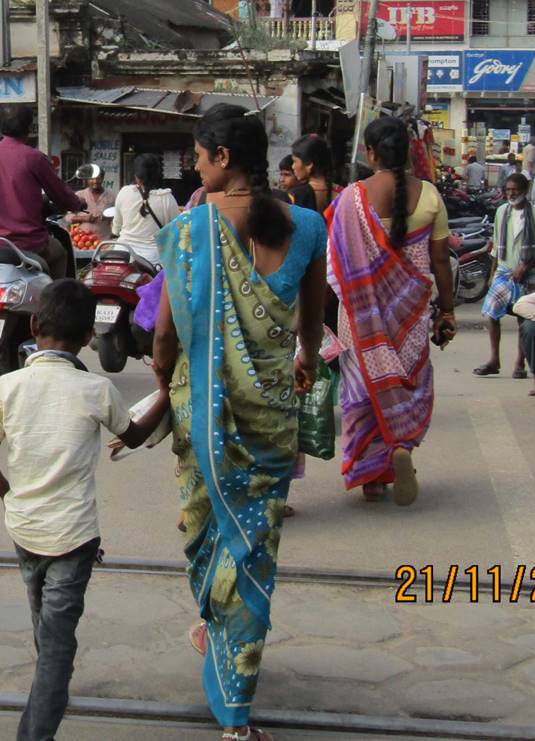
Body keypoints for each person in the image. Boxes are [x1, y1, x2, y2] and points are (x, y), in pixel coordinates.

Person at [150, 105, 328, 741]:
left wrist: (162, 383)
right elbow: (313, 323)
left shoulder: (189, 230)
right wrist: (305, 359)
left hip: (203, 415)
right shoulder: (308, 225)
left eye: (199, 157)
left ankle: (226, 676)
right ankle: (234, 692)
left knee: (207, 535)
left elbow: (164, 336)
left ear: (223, 157)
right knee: (253, 549)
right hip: (273, 417)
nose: (196, 168)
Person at [0, 279, 170, 741]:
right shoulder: (96, 389)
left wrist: (12, 497)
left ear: (33, 325)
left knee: (45, 624)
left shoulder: (6, 386)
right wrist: (164, 394)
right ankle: (38, 726)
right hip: (74, 536)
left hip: (24, 528)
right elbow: (135, 436)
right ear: (88, 337)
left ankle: (51, 684)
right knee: (58, 641)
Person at [328, 116, 454, 505]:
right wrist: (447, 312)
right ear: (409, 152)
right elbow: (441, 261)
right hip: (411, 315)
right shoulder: (429, 195)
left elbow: (335, 264)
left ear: (371, 154)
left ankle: (372, 477)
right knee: (405, 381)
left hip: (360, 315)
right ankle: (400, 445)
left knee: (363, 389)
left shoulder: (351, 199)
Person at [0, 105, 84, 278]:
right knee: (60, 253)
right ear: (28, 127)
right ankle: (53, 295)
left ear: (0, 126)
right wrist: (78, 203)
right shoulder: (35, 158)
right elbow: (61, 195)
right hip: (29, 245)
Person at [475, 173, 535, 379]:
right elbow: (496, 246)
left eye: (515, 190)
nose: (511, 193)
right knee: (490, 313)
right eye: (508, 190)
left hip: (529, 275)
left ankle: (520, 363)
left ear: (525, 191)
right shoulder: (502, 212)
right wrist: (492, 274)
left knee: (523, 318)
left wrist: (524, 267)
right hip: (504, 271)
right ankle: (494, 360)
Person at [111, 153, 181, 264]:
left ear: (136, 176)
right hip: (152, 262)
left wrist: (115, 230)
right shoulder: (167, 198)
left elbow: (116, 228)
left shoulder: (124, 192)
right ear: (158, 175)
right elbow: (177, 232)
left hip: (122, 256)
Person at [66, 164, 114, 242]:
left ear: (102, 178)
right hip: (82, 241)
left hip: (104, 241)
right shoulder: (79, 195)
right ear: (87, 179)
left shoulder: (111, 196)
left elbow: (118, 216)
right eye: (92, 178)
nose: (95, 181)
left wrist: (107, 218)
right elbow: (68, 217)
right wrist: (84, 218)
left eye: (98, 178)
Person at [288, 134, 335, 214]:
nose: (293, 167)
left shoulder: (294, 196)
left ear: (309, 165)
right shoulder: (343, 194)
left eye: (295, 161)